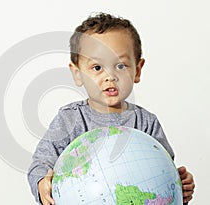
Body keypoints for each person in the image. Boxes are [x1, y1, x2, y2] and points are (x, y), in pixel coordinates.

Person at [27, 12, 195, 205]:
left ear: (137, 70)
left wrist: (182, 186)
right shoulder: (70, 119)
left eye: (121, 66)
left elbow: (162, 176)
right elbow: (42, 161)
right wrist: (41, 182)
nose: (110, 76)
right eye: (97, 67)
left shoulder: (146, 123)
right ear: (77, 74)